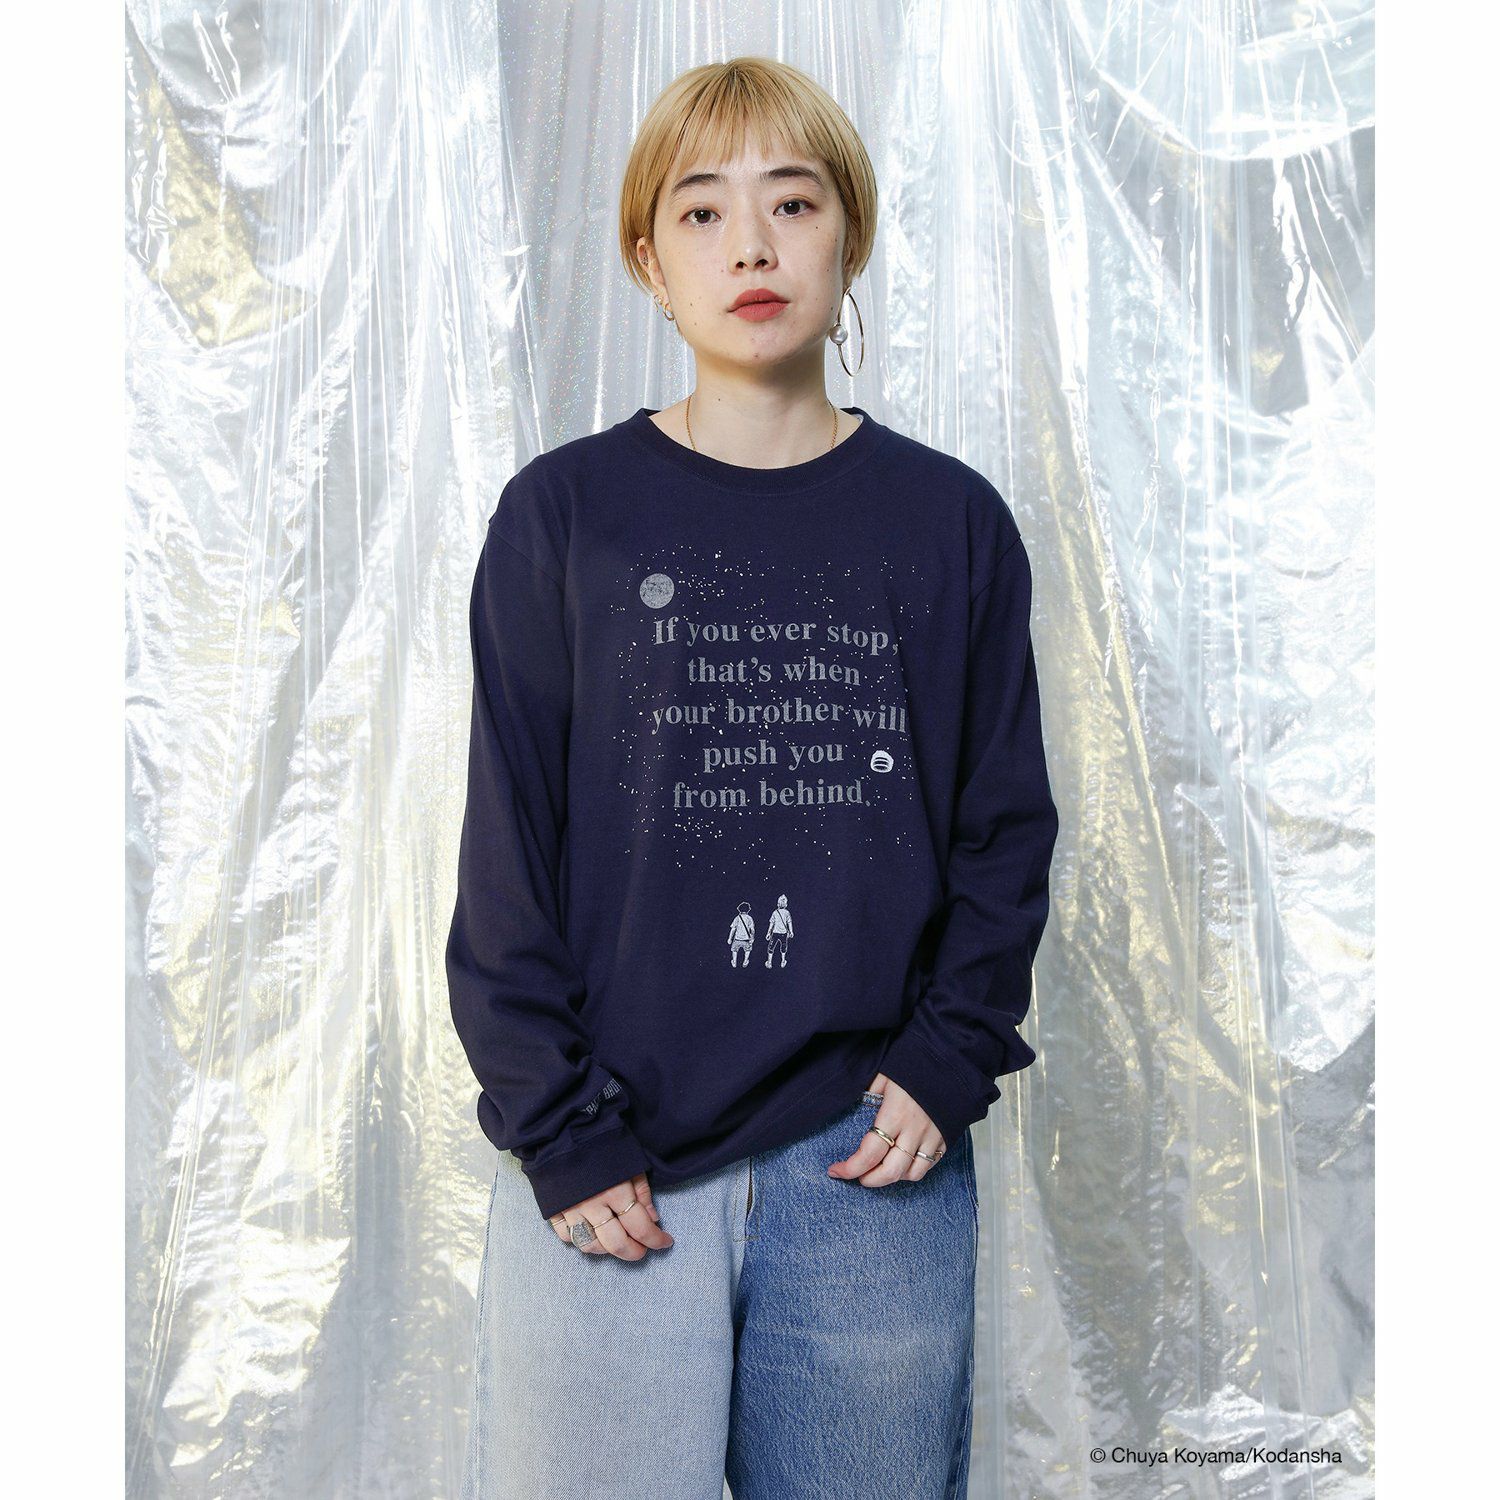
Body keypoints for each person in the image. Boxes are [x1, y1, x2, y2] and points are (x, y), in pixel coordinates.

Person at [446, 56, 1059, 1500]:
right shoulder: (564, 518)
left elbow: (1003, 829)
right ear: (647, 259)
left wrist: (948, 1058)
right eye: (703, 211)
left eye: (793, 202)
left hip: (871, 1157)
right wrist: (558, 1125)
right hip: (609, 1159)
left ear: (850, 236)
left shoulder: (951, 523)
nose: (752, 247)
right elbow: (506, 851)